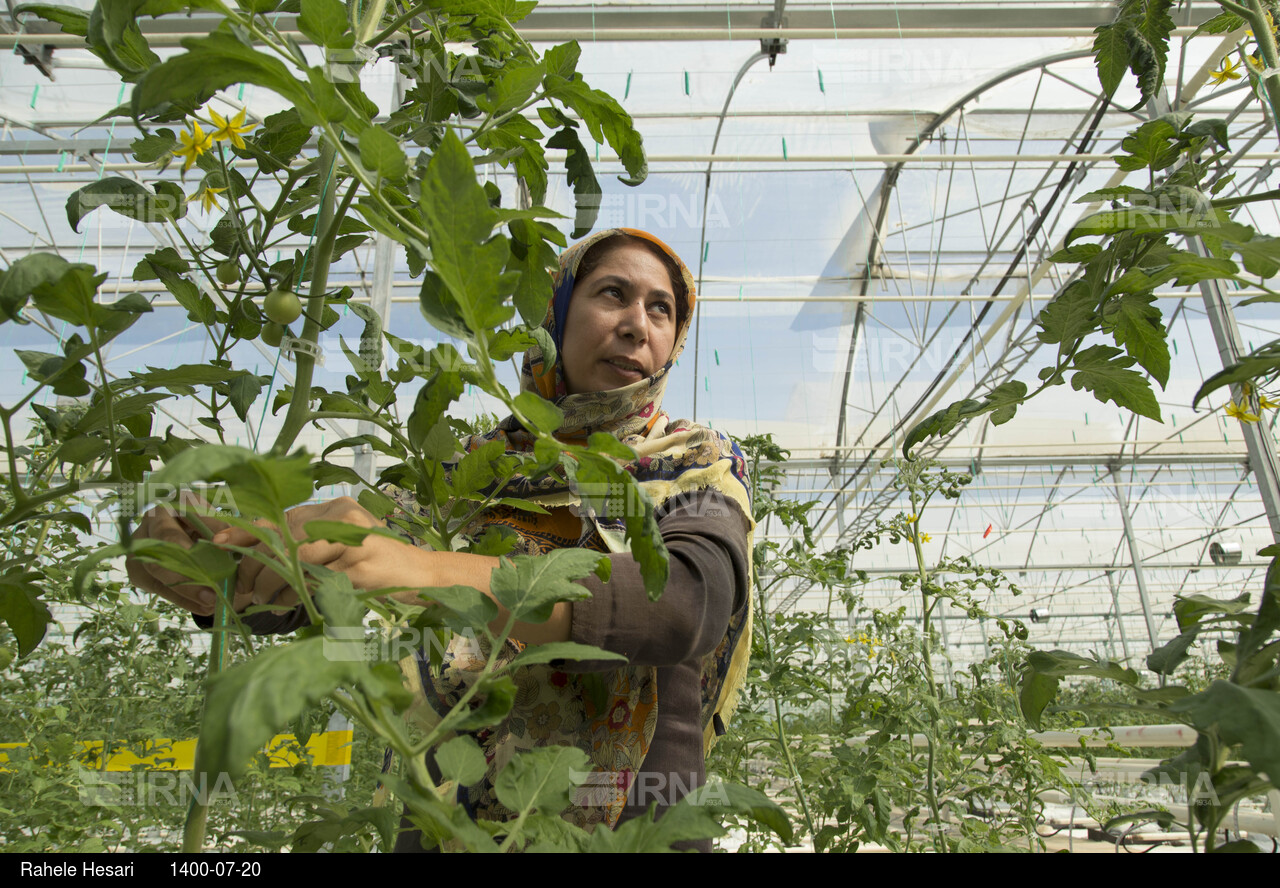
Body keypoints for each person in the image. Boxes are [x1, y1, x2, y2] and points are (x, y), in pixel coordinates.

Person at [125, 227, 754, 851]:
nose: (637, 324)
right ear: (555, 318)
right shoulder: (473, 473)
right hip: (445, 823)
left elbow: (683, 602)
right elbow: (324, 568)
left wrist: (423, 569)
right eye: (613, 293)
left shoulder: (691, 464)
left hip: (633, 830)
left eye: (661, 308)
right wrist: (217, 558)